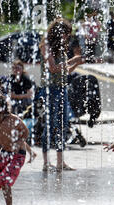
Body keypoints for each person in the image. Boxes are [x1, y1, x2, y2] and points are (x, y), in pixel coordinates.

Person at [39, 17, 86, 172]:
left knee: (62, 125)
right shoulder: (45, 45)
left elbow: (64, 71)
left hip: (61, 88)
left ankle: (60, 162)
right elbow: (53, 68)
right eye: (65, 33)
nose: (66, 37)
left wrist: (76, 64)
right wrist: (72, 59)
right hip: (50, 89)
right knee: (50, 124)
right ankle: (46, 162)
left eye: (68, 34)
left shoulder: (61, 46)